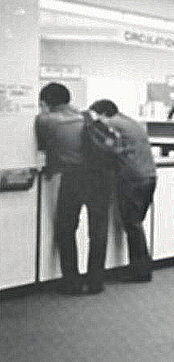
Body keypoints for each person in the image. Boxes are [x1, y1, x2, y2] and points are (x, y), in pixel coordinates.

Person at [35, 83, 114, 295]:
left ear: (46, 102)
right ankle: (96, 281)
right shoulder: (87, 117)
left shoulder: (45, 120)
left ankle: (72, 282)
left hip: (73, 178)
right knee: (98, 231)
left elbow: (41, 146)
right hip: (100, 178)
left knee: (66, 229)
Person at [88, 99, 157, 282]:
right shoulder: (130, 122)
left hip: (132, 178)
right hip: (148, 177)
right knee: (135, 224)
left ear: (103, 114)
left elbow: (110, 148)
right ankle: (140, 267)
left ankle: (141, 271)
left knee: (133, 225)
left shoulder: (112, 125)